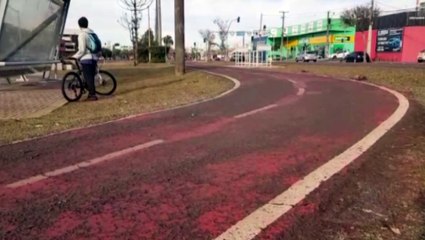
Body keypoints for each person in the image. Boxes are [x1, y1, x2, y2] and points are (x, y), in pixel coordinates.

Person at [72, 17, 99, 101]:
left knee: (88, 77)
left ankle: (92, 95)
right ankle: (91, 93)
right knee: (91, 77)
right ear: (87, 24)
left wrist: (74, 57)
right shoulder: (92, 33)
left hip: (86, 59)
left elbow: (82, 50)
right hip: (94, 58)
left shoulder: (82, 34)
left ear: (79, 25)